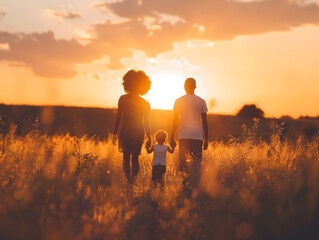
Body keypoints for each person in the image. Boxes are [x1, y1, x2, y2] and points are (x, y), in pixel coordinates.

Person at [113, 69, 152, 184]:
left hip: (126, 132)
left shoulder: (123, 99)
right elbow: (147, 122)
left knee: (126, 158)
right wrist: (149, 137)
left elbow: (118, 117)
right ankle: (132, 182)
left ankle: (129, 181)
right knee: (135, 159)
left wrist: (115, 134)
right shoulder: (145, 103)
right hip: (137, 133)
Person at [170, 78, 209, 186]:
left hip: (183, 136)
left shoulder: (178, 100)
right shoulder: (201, 101)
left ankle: (185, 187)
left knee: (183, 165)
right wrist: (206, 139)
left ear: (184, 87)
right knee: (196, 164)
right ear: (195, 87)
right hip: (197, 137)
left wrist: (171, 136)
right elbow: (205, 122)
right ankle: (196, 187)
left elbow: (174, 121)